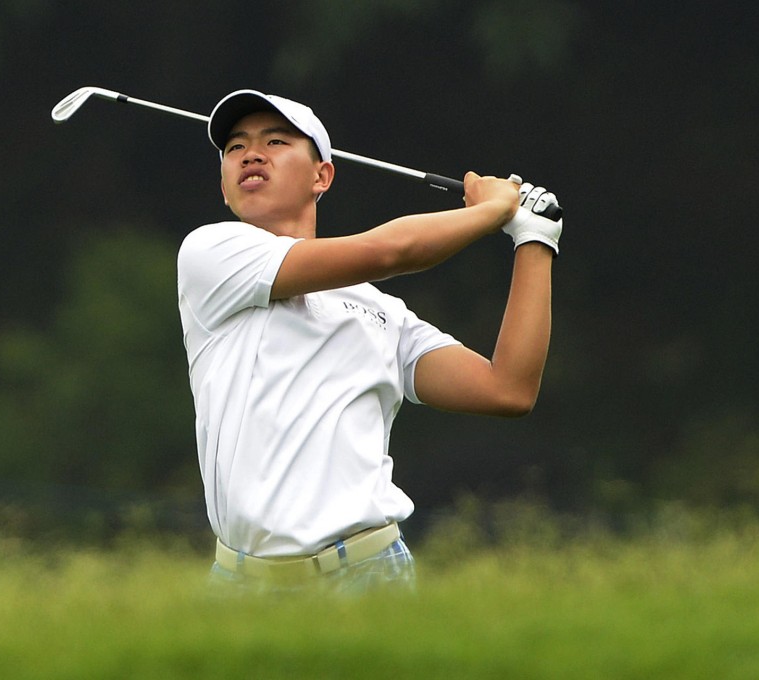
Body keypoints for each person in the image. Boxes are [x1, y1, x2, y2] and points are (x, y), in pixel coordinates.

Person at [176, 89, 562, 595]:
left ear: (322, 176)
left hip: (368, 573)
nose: (251, 153)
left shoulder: (382, 314)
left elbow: (507, 389)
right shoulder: (211, 253)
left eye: (275, 141)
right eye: (234, 147)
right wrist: (493, 210)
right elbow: (389, 252)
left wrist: (535, 239)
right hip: (238, 586)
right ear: (225, 185)